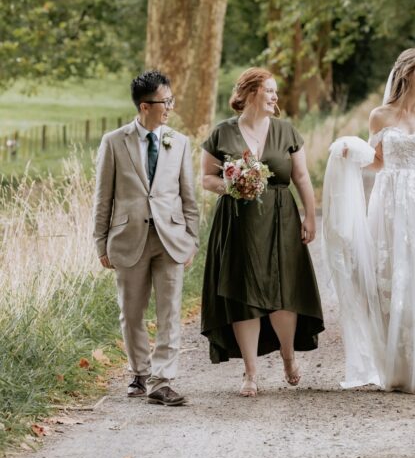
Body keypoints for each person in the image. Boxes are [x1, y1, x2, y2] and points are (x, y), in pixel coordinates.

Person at [322, 48, 415, 393]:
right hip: (388, 201)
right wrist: (351, 155)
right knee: (386, 278)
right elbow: (377, 161)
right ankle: (396, 366)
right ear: (407, 73)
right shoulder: (379, 116)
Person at [200, 68, 324, 397]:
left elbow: (301, 178)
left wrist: (309, 216)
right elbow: (206, 179)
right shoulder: (222, 133)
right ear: (250, 93)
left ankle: (288, 358)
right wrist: (231, 185)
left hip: (281, 217)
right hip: (237, 222)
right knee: (244, 295)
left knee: (284, 292)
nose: (274, 97)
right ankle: (251, 373)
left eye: (275, 92)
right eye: (268, 91)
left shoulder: (286, 131)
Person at [92, 70, 198, 406]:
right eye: (163, 102)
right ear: (143, 106)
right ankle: (140, 371)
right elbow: (102, 197)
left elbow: (188, 197)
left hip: (171, 238)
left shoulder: (179, 142)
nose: (169, 107)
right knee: (132, 311)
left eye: (171, 100)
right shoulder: (114, 142)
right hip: (127, 238)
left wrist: (191, 238)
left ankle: (162, 380)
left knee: (169, 311)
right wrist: (100, 242)